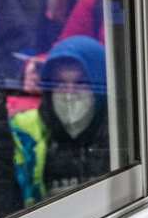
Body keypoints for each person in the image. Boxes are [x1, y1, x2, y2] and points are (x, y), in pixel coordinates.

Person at [11, 35, 110, 206]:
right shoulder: (23, 134)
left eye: (81, 83)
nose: (69, 94)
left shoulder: (122, 131)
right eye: (60, 83)